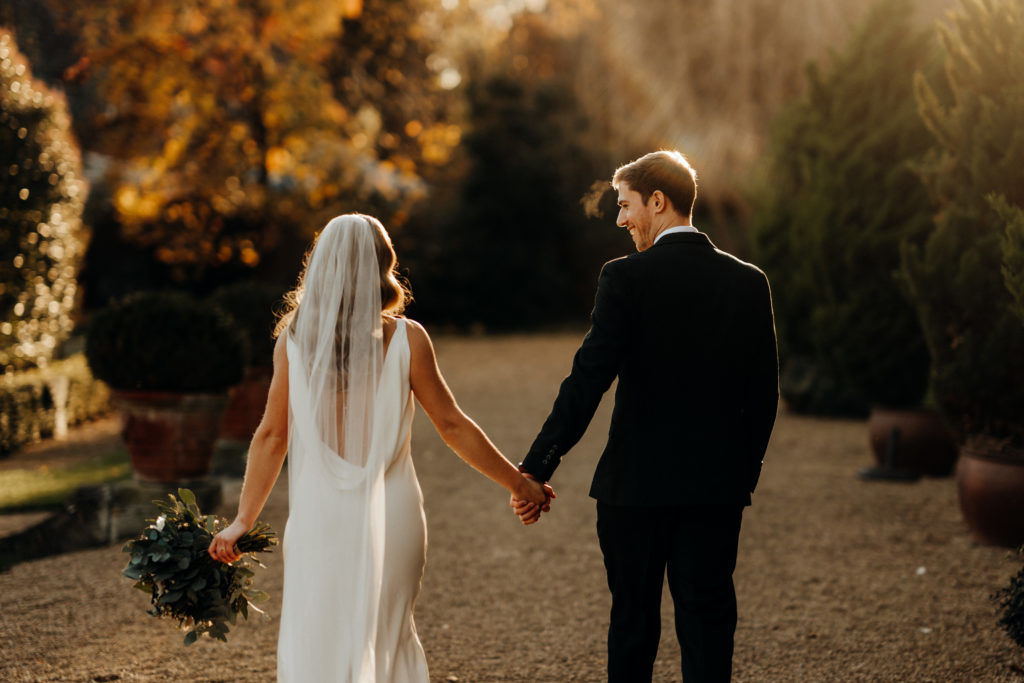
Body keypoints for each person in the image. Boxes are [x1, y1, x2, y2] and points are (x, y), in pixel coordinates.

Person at [208, 214, 552, 682]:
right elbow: (451, 424)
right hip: (393, 515)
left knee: (320, 639)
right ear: (382, 266)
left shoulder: (293, 340)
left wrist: (242, 521)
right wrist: (520, 484)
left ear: (320, 267)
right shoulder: (408, 338)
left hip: (318, 521)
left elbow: (272, 434)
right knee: (388, 637)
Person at [512, 151, 779, 682]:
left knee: (632, 625)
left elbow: (588, 380)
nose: (619, 218)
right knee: (708, 628)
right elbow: (764, 395)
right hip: (714, 491)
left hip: (632, 490)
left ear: (658, 202)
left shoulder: (625, 278)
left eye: (625, 204)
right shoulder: (749, 281)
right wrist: (737, 477)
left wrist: (536, 468)